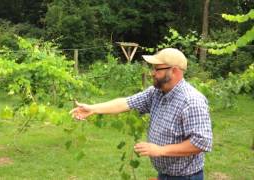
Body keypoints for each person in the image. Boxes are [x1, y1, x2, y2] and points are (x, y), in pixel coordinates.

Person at [70, 48, 212, 180]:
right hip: (164, 174)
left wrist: (160, 150)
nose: (152, 73)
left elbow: (201, 142)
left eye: (157, 69)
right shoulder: (156, 93)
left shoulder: (192, 101)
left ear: (174, 71)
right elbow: (126, 103)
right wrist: (93, 109)